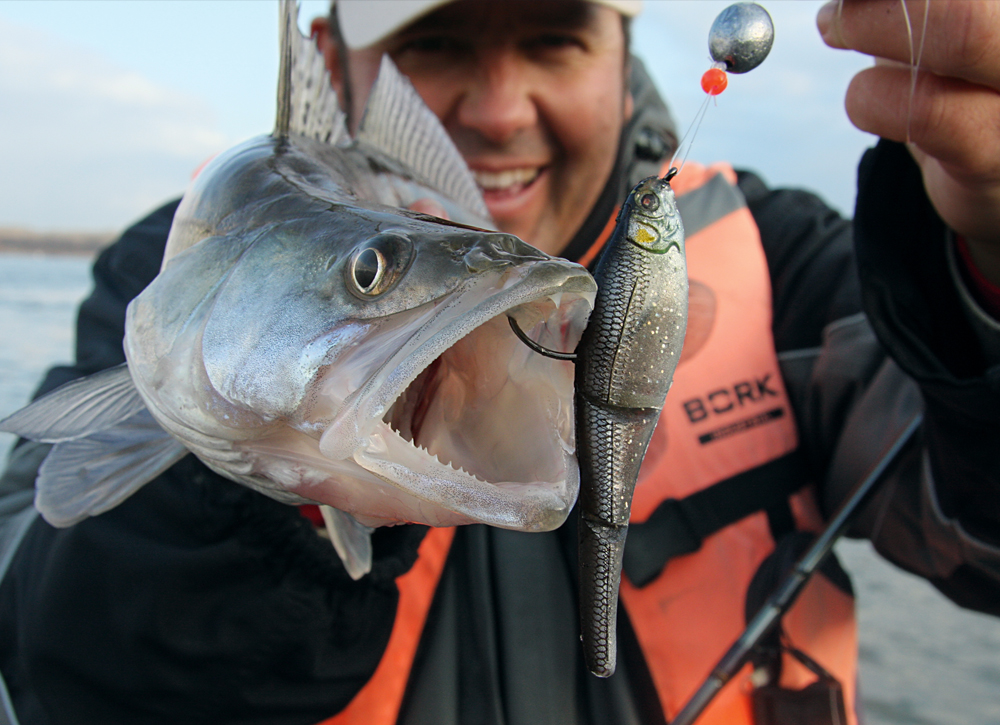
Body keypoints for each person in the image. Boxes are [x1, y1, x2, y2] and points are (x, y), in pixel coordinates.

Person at [0, 1, 998, 723]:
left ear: (623, 53)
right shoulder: (172, 271)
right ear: (330, 55)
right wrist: (256, 493)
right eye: (434, 43)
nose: (499, 109)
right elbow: (50, 651)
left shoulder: (784, 257)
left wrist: (986, 271)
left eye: (553, 38)